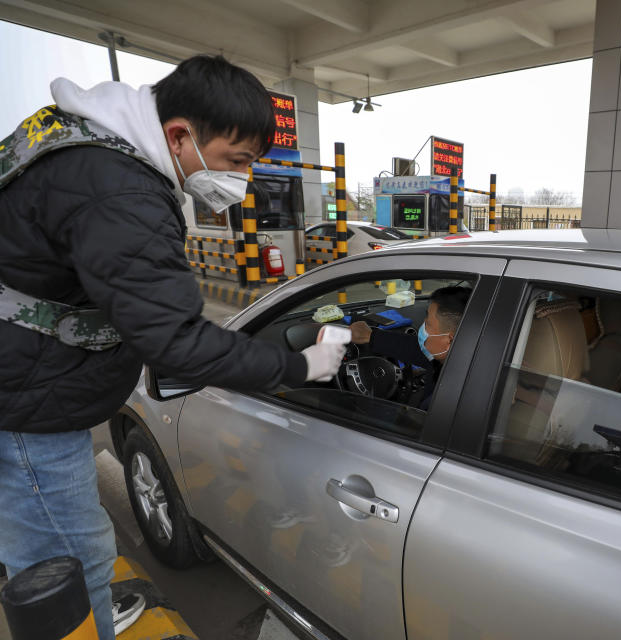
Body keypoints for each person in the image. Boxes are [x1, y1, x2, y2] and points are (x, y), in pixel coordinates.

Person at [0, 55, 344, 640]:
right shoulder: (118, 188)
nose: (243, 179)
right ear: (179, 134)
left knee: (61, 547)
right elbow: (176, 341)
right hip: (27, 404)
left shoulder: (86, 148)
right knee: (68, 558)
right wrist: (300, 364)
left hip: (31, 381)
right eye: (237, 161)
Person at [349, 286, 470, 408]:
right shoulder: (463, 356)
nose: (422, 329)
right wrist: (372, 336)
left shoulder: (444, 402)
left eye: (428, 324)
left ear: (449, 340)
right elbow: (414, 348)